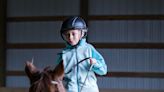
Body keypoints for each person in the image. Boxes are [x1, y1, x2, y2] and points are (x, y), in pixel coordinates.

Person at [56, 16, 107, 92]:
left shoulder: (89, 49)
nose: (70, 37)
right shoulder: (64, 54)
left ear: (82, 33)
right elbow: (58, 75)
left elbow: (103, 70)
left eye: (73, 34)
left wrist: (95, 63)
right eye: (67, 34)